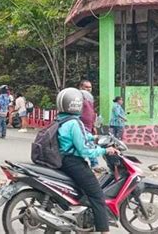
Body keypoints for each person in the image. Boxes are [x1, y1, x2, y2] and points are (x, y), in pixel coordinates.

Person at [56, 87, 119, 234]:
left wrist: (95, 137)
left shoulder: (62, 119)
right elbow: (84, 150)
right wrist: (105, 150)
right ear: (76, 104)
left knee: (85, 191)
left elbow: (83, 136)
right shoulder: (74, 123)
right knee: (97, 195)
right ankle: (104, 231)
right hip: (74, 163)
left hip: (63, 161)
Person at [78, 80, 101, 172]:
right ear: (81, 87)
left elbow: (91, 113)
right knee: (89, 145)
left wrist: (93, 126)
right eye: (86, 87)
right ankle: (95, 165)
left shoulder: (90, 98)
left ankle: (91, 165)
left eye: (90, 87)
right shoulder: (79, 97)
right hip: (81, 125)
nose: (88, 89)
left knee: (88, 145)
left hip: (89, 126)